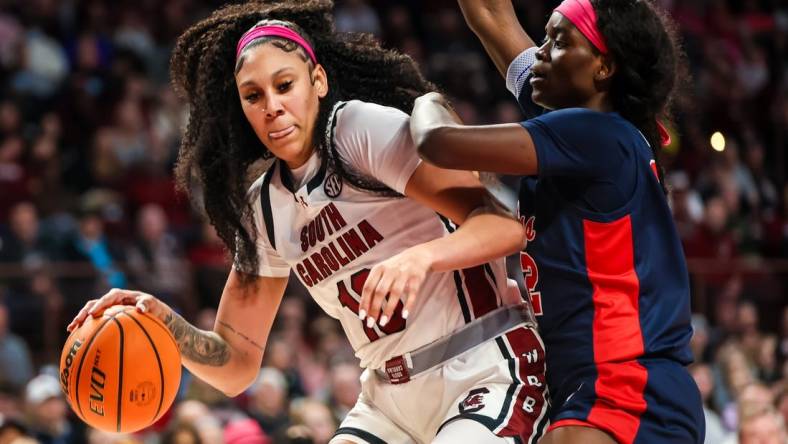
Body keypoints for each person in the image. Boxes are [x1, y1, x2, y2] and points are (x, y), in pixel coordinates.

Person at [69, 1, 547, 443]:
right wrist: (162, 323)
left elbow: (504, 225)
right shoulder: (266, 209)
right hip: (387, 402)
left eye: (284, 85)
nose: (271, 105)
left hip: (483, 363)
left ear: (317, 80)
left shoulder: (358, 130)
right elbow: (236, 362)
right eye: (253, 95)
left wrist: (421, 258)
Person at [409, 0, 705, 443]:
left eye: (559, 42)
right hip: (593, 385)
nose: (541, 52)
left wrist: (425, 99)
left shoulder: (598, 136)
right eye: (545, 37)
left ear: (603, 67)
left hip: (625, 387)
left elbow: (437, 142)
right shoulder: (586, 126)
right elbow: (491, 15)